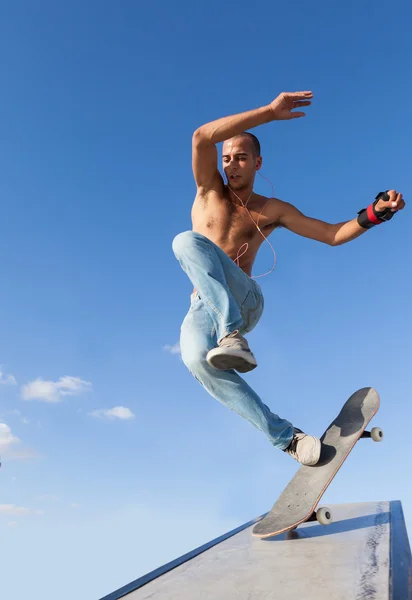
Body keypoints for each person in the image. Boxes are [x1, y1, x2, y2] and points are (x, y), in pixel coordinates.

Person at [172, 91, 405, 466]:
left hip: (244, 301)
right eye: (227, 159)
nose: (231, 166)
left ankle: (234, 336)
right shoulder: (208, 193)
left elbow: (331, 234)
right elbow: (202, 137)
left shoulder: (271, 209)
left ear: (258, 163)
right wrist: (267, 112)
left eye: (241, 158)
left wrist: (376, 214)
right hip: (204, 307)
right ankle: (288, 439)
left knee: (185, 242)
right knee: (196, 359)